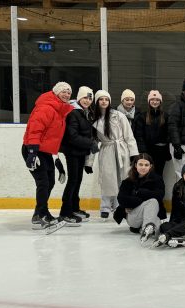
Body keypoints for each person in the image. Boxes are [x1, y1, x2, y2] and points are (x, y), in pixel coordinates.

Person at [22, 82, 74, 231]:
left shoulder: (59, 111)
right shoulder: (46, 108)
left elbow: (53, 137)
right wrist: (32, 152)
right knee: (43, 182)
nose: (66, 95)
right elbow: (35, 130)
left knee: (49, 181)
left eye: (69, 93)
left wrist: (57, 159)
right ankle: (42, 214)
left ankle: (39, 213)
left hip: (45, 152)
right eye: (64, 92)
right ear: (56, 93)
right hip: (34, 149)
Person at [92, 90, 140, 221]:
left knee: (122, 179)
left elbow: (129, 135)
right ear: (97, 101)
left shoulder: (118, 115)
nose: (104, 102)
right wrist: (88, 163)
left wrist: (133, 154)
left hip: (122, 149)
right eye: (101, 99)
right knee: (107, 178)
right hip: (106, 150)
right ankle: (105, 207)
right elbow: (93, 141)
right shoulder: (93, 118)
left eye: (106, 99)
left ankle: (120, 206)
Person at [59, 86, 99, 223]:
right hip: (72, 151)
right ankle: (65, 211)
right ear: (79, 97)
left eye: (90, 98)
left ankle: (74, 208)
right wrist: (90, 143)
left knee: (78, 180)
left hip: (81, 151)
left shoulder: (86, 112)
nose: (87, 101)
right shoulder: (73, 112)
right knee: (73, 181)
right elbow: (72, 136)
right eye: (85, 98)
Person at [114, 153, 165, 244]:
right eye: (140, 164)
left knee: (158, 226)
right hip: (134, 217)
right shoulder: (127, 181)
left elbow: (160, 196)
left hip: (150, 214)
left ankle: (148, 230)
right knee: (152, 201)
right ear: (135, 165)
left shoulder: (157, 180)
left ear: (150, 166)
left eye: (146, 165)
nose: (143, 167)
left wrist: (139, 193)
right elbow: (121, 199)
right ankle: (146, 228)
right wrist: (142, 199)